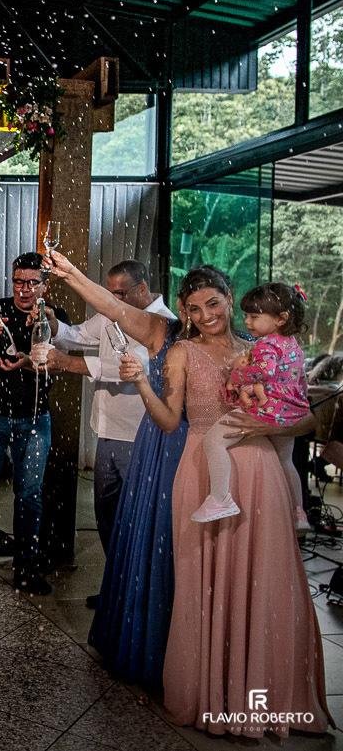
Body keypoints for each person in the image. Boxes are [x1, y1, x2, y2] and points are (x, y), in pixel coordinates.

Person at [114, 265, 331, 736]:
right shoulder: (182, 352)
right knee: (203, 582)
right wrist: (142, 383)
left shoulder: (264, 350)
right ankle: (211, 692)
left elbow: (306, 421)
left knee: (263, 581)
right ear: (186, 314)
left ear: (230, 300)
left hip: (263, 478)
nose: (205, 314)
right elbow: (171, 421)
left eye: (213, 303)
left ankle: (260, 698)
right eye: (194, 308)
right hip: (204, 473)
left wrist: (272, 426)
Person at [48, 248, 187, 688]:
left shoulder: (164, 327)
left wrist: (68, 364)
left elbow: (129, 370)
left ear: (143, 289)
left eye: (120, 293)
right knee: (108, 517)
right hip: (106, 431)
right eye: (110, 294)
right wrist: (50, 323)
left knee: (139, 523)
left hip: (142, 436)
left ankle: (139, 596)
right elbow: (75, 334)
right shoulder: (113, 314)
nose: (113, 300)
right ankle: (118, 589)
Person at [0, 251, 68, 596]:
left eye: (32, 283)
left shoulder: (52, 317)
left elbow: (57, 361)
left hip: (34, 420)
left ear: (45, 285)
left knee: (30, 497)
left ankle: (27, 569)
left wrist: (26, 361)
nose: (23, 289)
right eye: (18, 281)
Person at [197, 282, 310, 533]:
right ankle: (298, 512)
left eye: (254, 316)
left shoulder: (266, 344)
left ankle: (219, 497)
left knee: (214, 441)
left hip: (267, 408)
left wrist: (237, 376)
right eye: (246, 315)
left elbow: (264, 372)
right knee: (286, 460)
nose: (247, 322)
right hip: (291, 411)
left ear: (281, 318)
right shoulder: (292, 344)